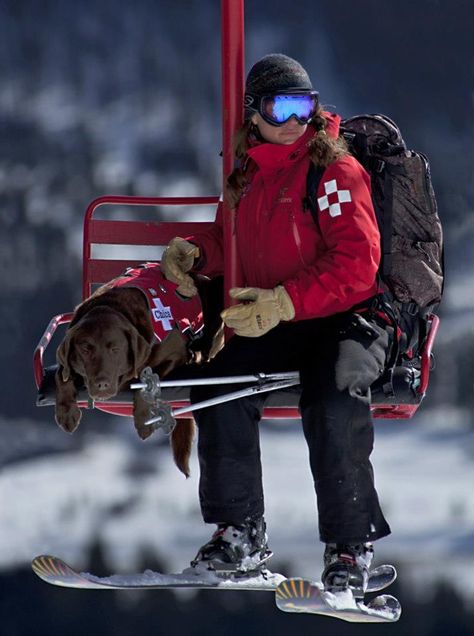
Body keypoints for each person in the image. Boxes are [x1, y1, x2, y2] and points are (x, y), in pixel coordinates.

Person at [160, 53, 393, 598]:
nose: (292, 120)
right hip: (281, 317)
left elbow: (358, 266)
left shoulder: (332, 172)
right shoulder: (247, 176)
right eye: (278, 105)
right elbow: (233, 242)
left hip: (346, 318)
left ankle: (349, 547)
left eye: (302, 106)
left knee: (333, 397)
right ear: (253, 113)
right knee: (221, 381)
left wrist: (285, 302)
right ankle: (239, 531)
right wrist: (198, 252)